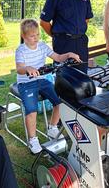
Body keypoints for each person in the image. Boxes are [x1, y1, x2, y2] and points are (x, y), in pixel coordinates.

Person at [16, 19, 80, 154]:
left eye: (37, 35)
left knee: (60, 101)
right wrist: (27, 68)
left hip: (42, 80)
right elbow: (19, 69)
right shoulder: (20, 50)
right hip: (26, 83)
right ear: (24, 36)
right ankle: (33, 140)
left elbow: (57, 57)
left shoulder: (42, 46)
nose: (36, 38)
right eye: (32, 36)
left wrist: (68, 54)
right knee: (31, 110)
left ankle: (52, 127)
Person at [40, 0, 93, 73]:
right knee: (64, 78)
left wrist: (77, 31)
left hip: (81, 42)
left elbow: (87, 18)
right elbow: (44, 22)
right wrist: (57, 36)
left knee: (82, 76)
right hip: (63, 44)